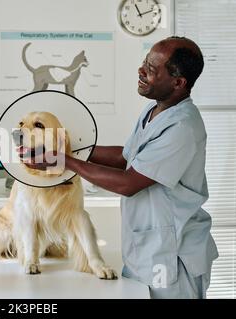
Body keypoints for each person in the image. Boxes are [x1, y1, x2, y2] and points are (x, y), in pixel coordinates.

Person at [26, 36, 218, 299]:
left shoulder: (182, 127)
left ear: (178, 82)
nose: (141, 71)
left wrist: (65, 161)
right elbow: (126, 157)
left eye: (151, 69)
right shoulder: (154, 111)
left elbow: (129, 183)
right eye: (144, 63)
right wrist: (71, 150)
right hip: (146, 249)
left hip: (172, 256)